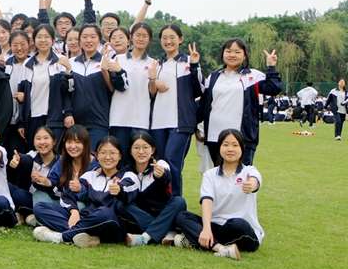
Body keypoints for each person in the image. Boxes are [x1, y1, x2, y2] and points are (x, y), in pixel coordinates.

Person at [173, 129, 264, 260]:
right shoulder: (210, 175)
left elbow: (255, 181)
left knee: (237, 224)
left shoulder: (249, 171)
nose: (230, 149)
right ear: (219, 147)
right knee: (182, 216)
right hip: (216, 226)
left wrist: (252, 184)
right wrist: (206, 228)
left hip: (242, 230)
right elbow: (207, 200)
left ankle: (194, 240)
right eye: (225, 144)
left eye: (235, 145)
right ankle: (220, 248)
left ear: (242, 148)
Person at [32, 136, 138, 247]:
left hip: (111, 223)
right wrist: (74, 211)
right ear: (97, 155)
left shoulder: (128, 175)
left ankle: (60, 237)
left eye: (112, 153)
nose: (107, 157)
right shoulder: (90, 175)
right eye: (103, 153)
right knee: (40, 207)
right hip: (87, 218)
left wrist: (119, 189)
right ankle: (87, 236)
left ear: (120, 156)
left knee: (104, 212)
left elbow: (129, 190)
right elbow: (67, 195)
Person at [198, 39, 282, 165]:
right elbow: (204, 104)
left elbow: (274, 88)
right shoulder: (214, 76)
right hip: (215, 136)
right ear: (222, 54)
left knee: (242, 174)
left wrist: (271, 67)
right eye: (228, 51)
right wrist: (196, 126)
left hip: (243, 137)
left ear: (244, 56)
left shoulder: (252, 76)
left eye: (237, 52)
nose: (232, 55)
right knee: (219, 174)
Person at [149, 24, 203, 196]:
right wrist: (153, 81)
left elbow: (199, 90)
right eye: (164, 38)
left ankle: (176, 203)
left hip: (181, 123)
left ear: (180, 39)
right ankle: (161, 202)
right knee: (159, 164)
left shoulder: (188, 61)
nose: (168, 41)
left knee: (172, 162)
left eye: (172, 37)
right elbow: (150, 93)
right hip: (158, 123)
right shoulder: (157, 64)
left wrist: (194, 65)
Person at [119, 132, 187, 246]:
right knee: (121, 205)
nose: (141, 152)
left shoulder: (160, 164)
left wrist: (160, 176)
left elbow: (166, 178)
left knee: (179, 201)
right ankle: (165, 231)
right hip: (143, 215)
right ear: (130, 151)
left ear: (153, 150)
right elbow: (124, 190)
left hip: (163, 211)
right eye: (136, 148)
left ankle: (145, 238)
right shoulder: (127, 171)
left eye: (145, 147)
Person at [17, 25, 72, 149]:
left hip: (55, 118)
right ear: (34, 40)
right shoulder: (27, 64)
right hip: (33, 118)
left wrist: (68, 71)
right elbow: (22, 94)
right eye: (39, 37)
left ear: (53, 40)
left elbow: (68, 91)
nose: (43, 40)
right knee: (35, 153)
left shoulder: (61, 61)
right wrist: (21, 122)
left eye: (46, 37)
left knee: (54, 152)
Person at [107, 22, 153, 152]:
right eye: (138, 35)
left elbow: (152, 92)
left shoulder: (153, 63)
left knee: (139, 157)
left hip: (141, 119)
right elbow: (113, 86)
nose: (141, 39)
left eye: (144, 36)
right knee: (119, 155)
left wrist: (154, 80)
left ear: (149, 39)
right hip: (119, 118)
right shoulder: (117, 59)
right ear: (131, 37)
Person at [66, 24, 112, 152]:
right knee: (76, 156)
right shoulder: (70, 63)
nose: (88, 40)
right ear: (80, 40)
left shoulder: (107, 62)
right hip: (75, 123)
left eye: (93, 37)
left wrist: (105, 70)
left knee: (94, 157)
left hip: (99, 122)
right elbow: (66, 92)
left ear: (99, 40)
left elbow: (114, 89)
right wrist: (68, 113)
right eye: (85, 37)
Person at [7, 126, 59, 226]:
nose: (42, 142)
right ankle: (26, 214)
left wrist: (46, 182)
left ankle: (25, 214)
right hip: (29, 198)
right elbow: (22, 158)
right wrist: (16, 160)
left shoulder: (60, 162)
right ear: (34, 142)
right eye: (38, 138)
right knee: (8, 187)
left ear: (54, 141)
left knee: (19, 195)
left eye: (46, 138)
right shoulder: (32, 155)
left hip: (49, 201)